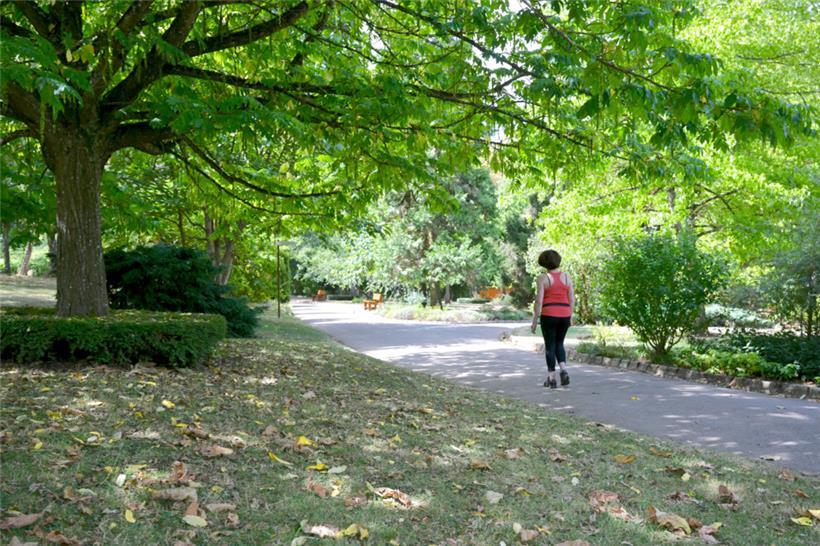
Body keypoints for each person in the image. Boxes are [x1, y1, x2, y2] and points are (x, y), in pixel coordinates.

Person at [530, 249, 574, 389]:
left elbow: (539, 301)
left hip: (549, 314)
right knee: (559, 344)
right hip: (565, 314)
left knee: (550, 346)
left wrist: (535, 320)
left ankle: (552, 379)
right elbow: (572, 299)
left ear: (544, 263)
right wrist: (570, 316)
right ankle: (563, 370)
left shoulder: (543, 278)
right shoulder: (567, 277)